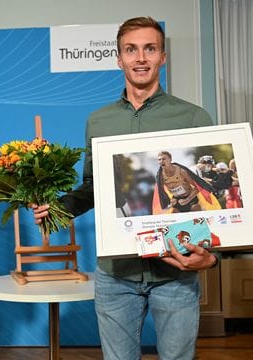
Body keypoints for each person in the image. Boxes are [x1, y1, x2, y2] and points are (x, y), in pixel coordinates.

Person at [33, 17, 218, 360]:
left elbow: (209, 195)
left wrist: (212, 256)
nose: (141, 58)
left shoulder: (194, 117)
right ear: (118, 59)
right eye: (131, 50)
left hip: (175, 272)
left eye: (150, 48)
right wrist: (56, 209)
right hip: (116, 274)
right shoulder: (99, 121)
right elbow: (93, 188)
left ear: (163, 56)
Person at [153, 150, 220, 213]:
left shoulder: (181, 171)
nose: (161, 161)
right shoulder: (160, 176)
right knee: (174, 214)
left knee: (196, 209)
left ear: (170, 159)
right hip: (176, 199)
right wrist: (169, 201)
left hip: (190, 197)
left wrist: (187, 200)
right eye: (159, 159)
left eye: (164, 159)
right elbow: (162, 192)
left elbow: (197, 186)